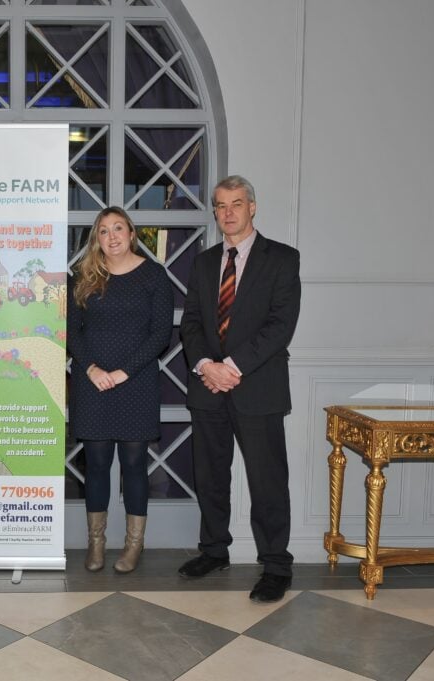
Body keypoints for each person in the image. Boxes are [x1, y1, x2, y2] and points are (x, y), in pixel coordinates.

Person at [178, 175, 301, 603]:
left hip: (257, 387)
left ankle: (276, 565)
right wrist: (205, 366)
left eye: (235, 204)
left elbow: (280, 326)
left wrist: (231, 366)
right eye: (220, 205)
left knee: (267, 480)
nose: (227, 213)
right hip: (208, 387)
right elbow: (190, 322)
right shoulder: (204, 262)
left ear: (252, 207)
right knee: (210, 476)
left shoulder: (283, 259)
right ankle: (214, 551)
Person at [67, 207, 173, 573]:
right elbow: (72, 331)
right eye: (103, 231)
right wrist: (93, 369)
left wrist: (125, 372)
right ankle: (96, 544)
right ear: (97, 239)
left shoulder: (154, 277)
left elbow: (161, 333)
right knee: (96, 465)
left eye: (118, 229)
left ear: (131, 233)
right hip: (92, 382)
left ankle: (133, 547)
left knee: (133, 467)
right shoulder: (84, 276)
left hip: (136, 383)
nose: (111, 237)